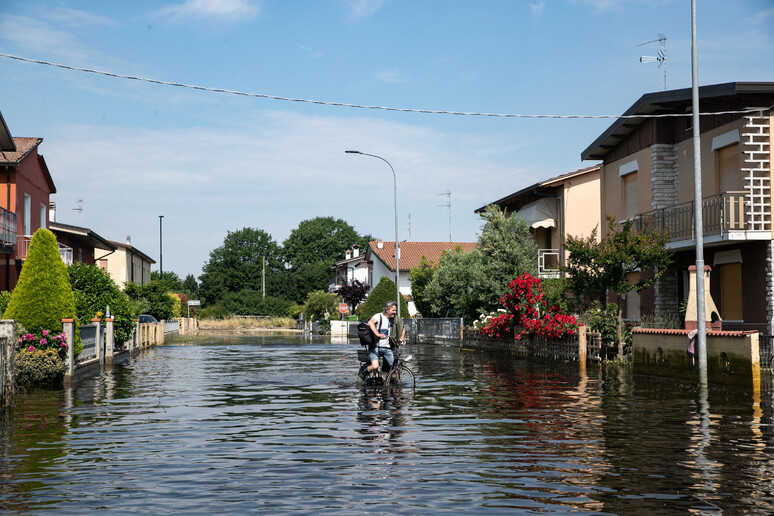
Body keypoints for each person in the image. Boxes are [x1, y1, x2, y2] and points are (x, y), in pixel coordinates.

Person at [361, 301, 406, 379]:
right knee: (375, 366)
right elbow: (370, 323)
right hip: (375, 346)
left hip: (386, 347)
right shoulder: (378, 316)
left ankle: (392, 383)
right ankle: (362, 374)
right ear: (387, 310)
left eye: (395, 310)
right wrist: (377, 334)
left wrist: (402, 338)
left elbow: (402, 327)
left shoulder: (394, 319)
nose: (394, 312)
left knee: (394, 369)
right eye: (393, 310)